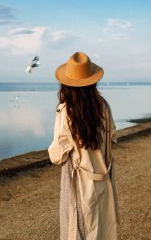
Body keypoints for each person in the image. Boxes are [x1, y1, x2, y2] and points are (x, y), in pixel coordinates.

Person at [48, 52, 119, 240]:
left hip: (78, 180)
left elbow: (57, 155)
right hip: (103, 176)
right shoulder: (103, 106)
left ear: (66, 84)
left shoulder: (66, 111)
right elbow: (112, 139)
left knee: (76, 227)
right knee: (102, 228)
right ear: (92, 81)